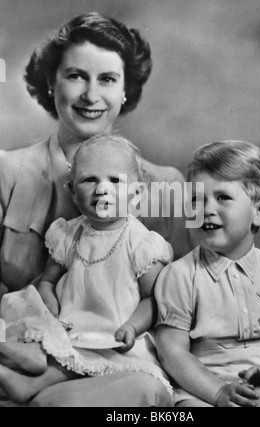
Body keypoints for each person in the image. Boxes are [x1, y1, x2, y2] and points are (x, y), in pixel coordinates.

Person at [0, 12, 186, 407]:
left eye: (107, 79)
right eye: (75, 76)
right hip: (28, 351)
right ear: (51, 84)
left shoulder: (165, 184)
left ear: (124, 90)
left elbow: (180, 302)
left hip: (121, 359)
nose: (90, 95)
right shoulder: (6, 170)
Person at [0, 135, 174, 404]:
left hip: (117, 340)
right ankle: (26, 363)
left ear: (136, 193)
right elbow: (47, 281)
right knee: (37, 317)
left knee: (76, 361)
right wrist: (51, 311)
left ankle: (29, 378)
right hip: (72, 331)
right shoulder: (68, 234)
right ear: (72, 190)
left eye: (115, 181)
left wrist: (132, 326)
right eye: (90, 180)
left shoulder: (141, 243)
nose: (102, 189)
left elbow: (155, 299)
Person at [155, 141, 260, 407]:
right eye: (197, 199)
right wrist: (219, 392)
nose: (206, 209)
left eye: (222, 197)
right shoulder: (179, 275)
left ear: (259, 211)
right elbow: (172, 352)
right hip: (201, 389)